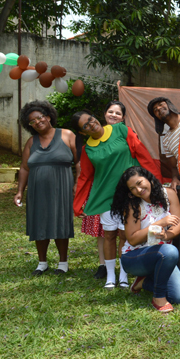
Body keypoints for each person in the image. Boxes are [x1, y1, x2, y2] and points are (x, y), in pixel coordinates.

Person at [72, 110, 162, 289]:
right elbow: (86, 176)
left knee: (125, 235)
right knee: (109, 235)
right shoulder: (87, 149)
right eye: (85, 125)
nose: (91, 124)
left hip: (129, 193)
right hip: (105, 196)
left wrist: (155, 180)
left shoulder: (121, 130)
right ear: (82, 132)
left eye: (91, 119)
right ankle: (110, 277)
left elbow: (142, 155)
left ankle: (123, 274)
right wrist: (77, 204)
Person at [110, 167, 180, 313]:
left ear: (149, 178)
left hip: (162, 256)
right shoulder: (133, 205)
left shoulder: (169, 194)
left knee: (178, 296)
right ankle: (158, 298)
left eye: (140, 183)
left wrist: (166, 236)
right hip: (134, 257)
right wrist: (159, 223)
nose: (138, 190)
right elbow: (132, 240)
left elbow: (179, 224)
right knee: (170, 250)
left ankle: (143, 282)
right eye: (133, 188)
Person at [14, 100, 77, 276]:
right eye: (32, 121)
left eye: (40, 117)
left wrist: (78, 183)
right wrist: (20, 191)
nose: (37, 122)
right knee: (39, 222)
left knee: (61, 222)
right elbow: (25, 167)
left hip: (62, 187)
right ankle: (42, 262)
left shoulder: (67, 135)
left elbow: (79, 162)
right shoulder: (30, 142)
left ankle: (63, 262)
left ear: (48, 117)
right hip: (37, 189)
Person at [76, 100, 127, 280]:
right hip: (102, 192)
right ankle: (103, 265)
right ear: (103, 114)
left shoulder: (123, 133)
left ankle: (125, 268)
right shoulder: (90, 144)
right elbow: (85, 174)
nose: (114, 115)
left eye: (118, 113)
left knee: (124, 230)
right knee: (103, 231)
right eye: (110, 112)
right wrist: (80, 200)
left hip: (125, 190)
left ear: (123, 118)